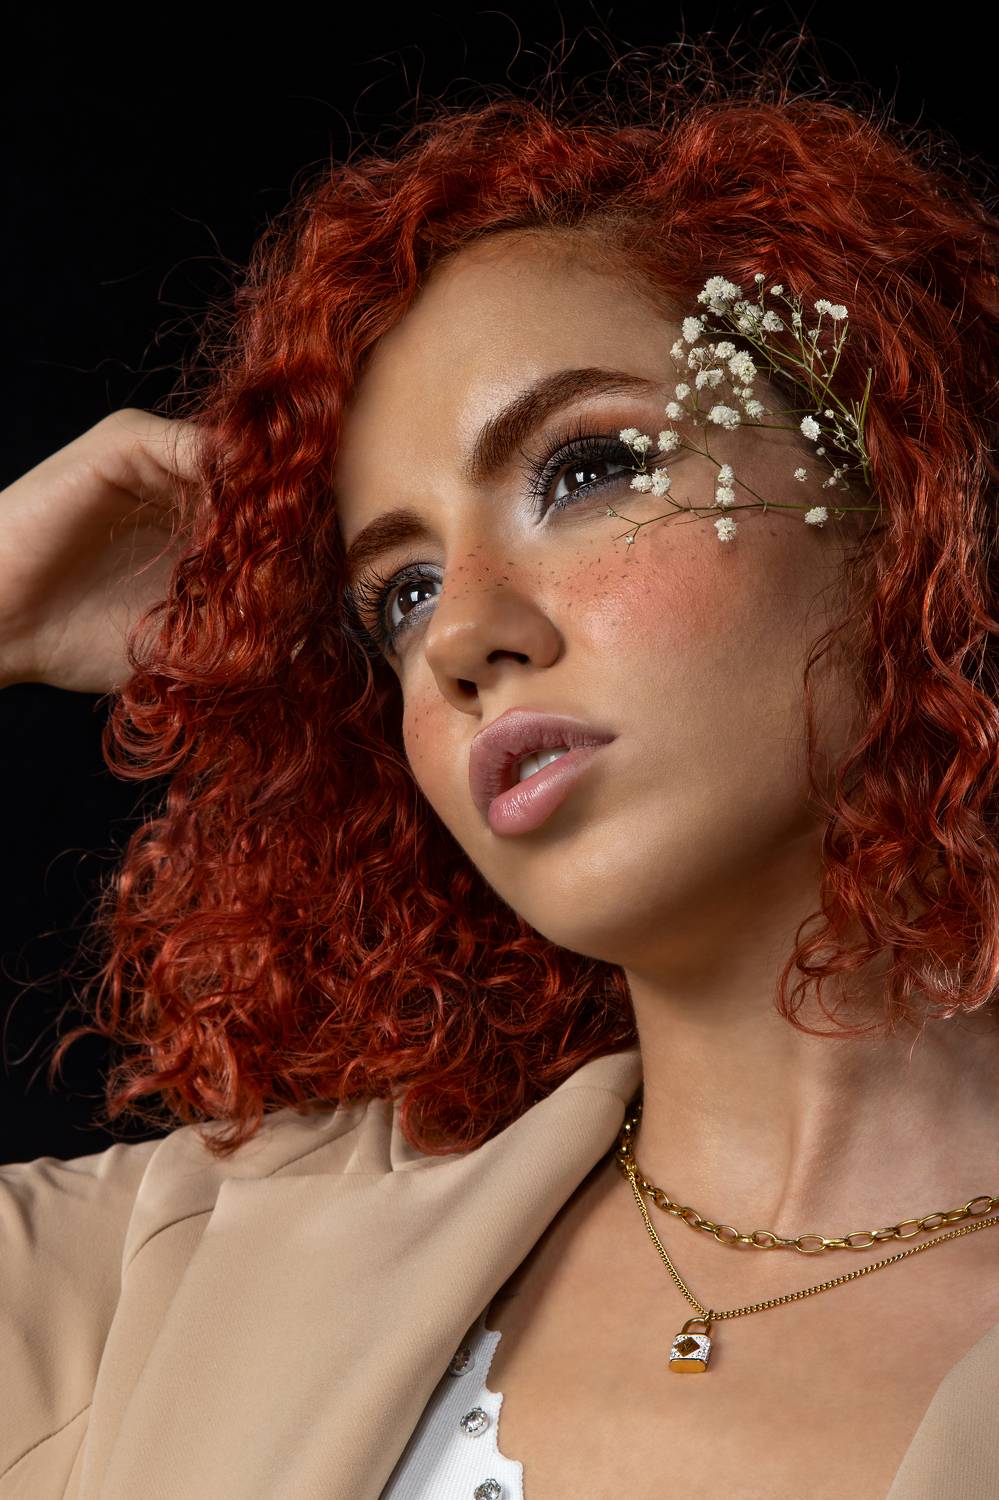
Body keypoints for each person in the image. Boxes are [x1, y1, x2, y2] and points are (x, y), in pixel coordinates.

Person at [3, 29, 999, 1500]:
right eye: (398, 595)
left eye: (587, 470)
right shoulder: (166, 1273)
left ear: (902, 485)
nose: (463, 634)